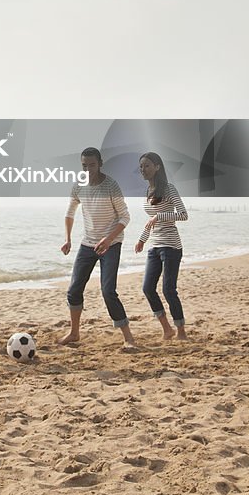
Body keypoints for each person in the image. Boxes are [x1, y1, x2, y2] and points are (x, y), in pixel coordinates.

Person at [61, 146, 137, 349]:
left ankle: (128, 337)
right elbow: (70, 213)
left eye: (92, 165)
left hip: (111, 244)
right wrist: (68, 239)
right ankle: (74, 332)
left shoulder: (111, 186)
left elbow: (125, 217)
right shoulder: (79, 185)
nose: (88, 170)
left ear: (100, 164)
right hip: (88, 243)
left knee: (108, 291)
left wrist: (108, 239)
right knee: (74, 290)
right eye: (84, 165)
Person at [135, 151, 188, 340]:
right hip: (154, 246)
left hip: (171, 246)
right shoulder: (147, 191)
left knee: (168, 290)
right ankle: (167, 328)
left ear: (157, 167)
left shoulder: (169, 189)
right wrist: (142, 238)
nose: (143, 169)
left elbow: (183, 214)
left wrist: (160, 216)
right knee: (148, 288)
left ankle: (181, 330)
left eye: (147, 165)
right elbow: (150, 220)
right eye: (141, 166)